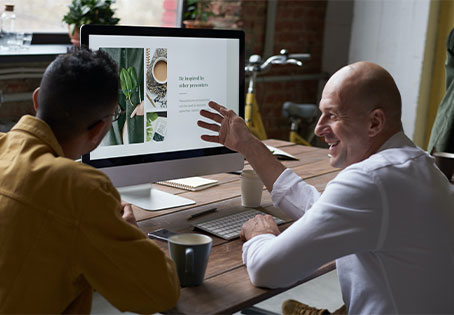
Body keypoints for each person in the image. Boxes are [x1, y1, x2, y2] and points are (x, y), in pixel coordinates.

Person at [198, 61, 454, 314]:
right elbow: (325, 210)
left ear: (375, 123)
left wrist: (260, 236)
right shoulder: (419, 165)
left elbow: (267, 270)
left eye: (332, 115)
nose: (319, 128)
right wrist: (248, 145)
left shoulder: (370, 180)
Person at [0, 49, 179, 314]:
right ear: (98, 131)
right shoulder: (79, 189)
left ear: (37, 99)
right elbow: (160, 293)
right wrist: (133, 233)